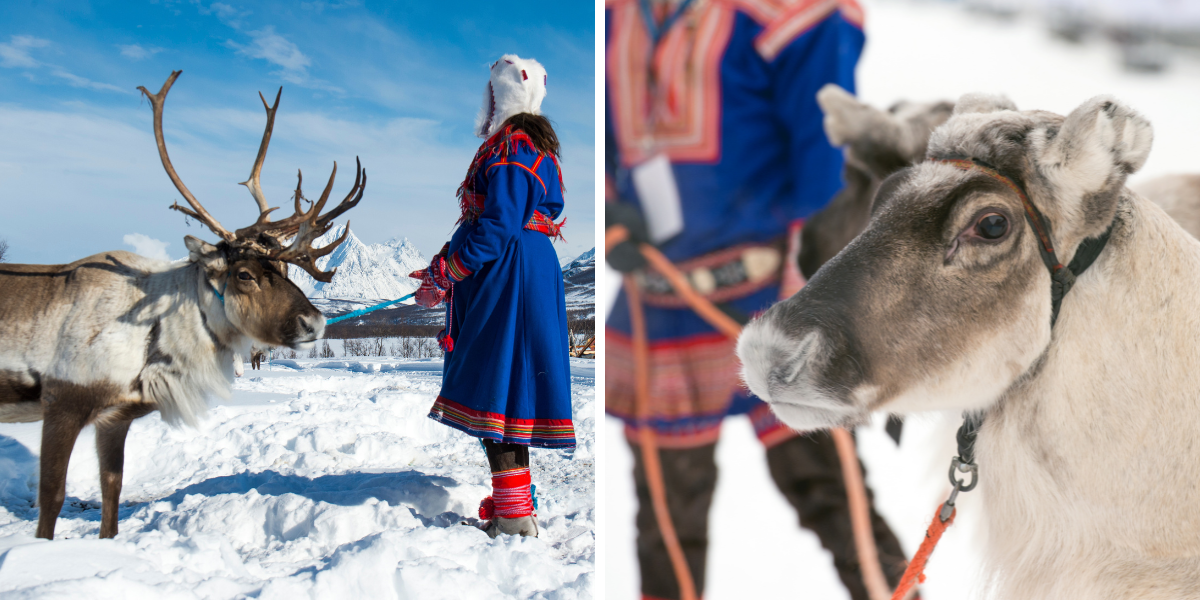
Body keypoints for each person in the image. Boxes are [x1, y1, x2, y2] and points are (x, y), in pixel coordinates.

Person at [604, 1, 910, 598]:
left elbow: (826, 172)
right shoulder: (614, 16)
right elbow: (611, 144)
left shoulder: (793, 14)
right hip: (659, 307)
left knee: (834, 499)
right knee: (666, 526)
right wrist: (612, 213)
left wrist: (827, 306)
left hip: (778, 296)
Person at [416, 54, 573, 539]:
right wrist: (443, 264)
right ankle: (515, 510)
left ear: (497, 98)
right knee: (507, 393)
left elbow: (497, 226)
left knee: (497, 389)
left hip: (508, 276)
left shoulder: (511, 150)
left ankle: (514, 518)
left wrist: (449, 273)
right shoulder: (529, 149)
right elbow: (488, 223)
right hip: (518, 270)